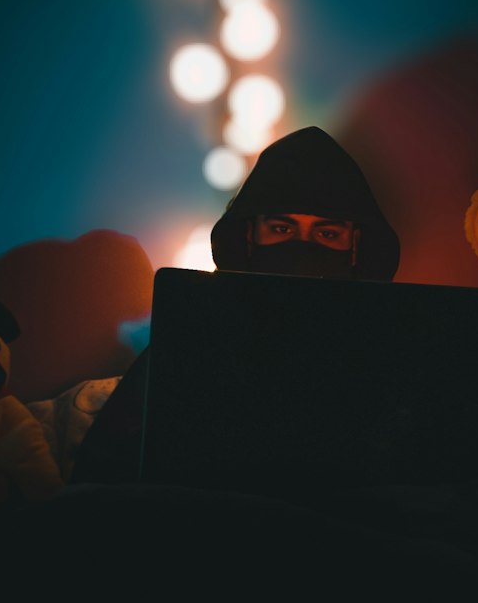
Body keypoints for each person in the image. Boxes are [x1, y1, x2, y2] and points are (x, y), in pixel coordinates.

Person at [67, 126, 400, 485]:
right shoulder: (191, 339)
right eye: (282, 229)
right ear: (249, 236)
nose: (303, 251)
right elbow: (105, 471)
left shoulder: (388, 351)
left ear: (354, 247)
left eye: (328, 234)